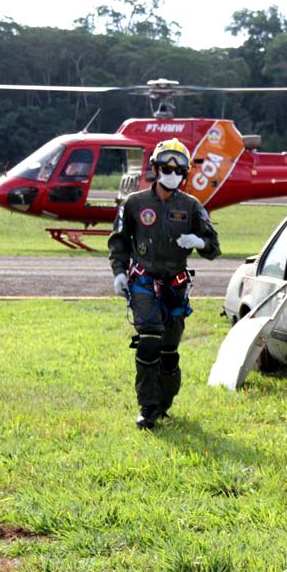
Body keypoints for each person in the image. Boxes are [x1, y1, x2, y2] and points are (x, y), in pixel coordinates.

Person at [109, 138, 221, 429]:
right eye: (166, 167)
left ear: (184, 174)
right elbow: (119, 242)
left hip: (176, 285)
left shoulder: (193, 207)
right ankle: (147, 409)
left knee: (169, 351)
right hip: (143, 282)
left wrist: (199, 241)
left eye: (177, 169)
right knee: (148, 343)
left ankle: (163, 403)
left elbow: (214, 247)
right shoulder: (134, 204)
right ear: (155, 169)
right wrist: (119, 272)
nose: (171, 172)